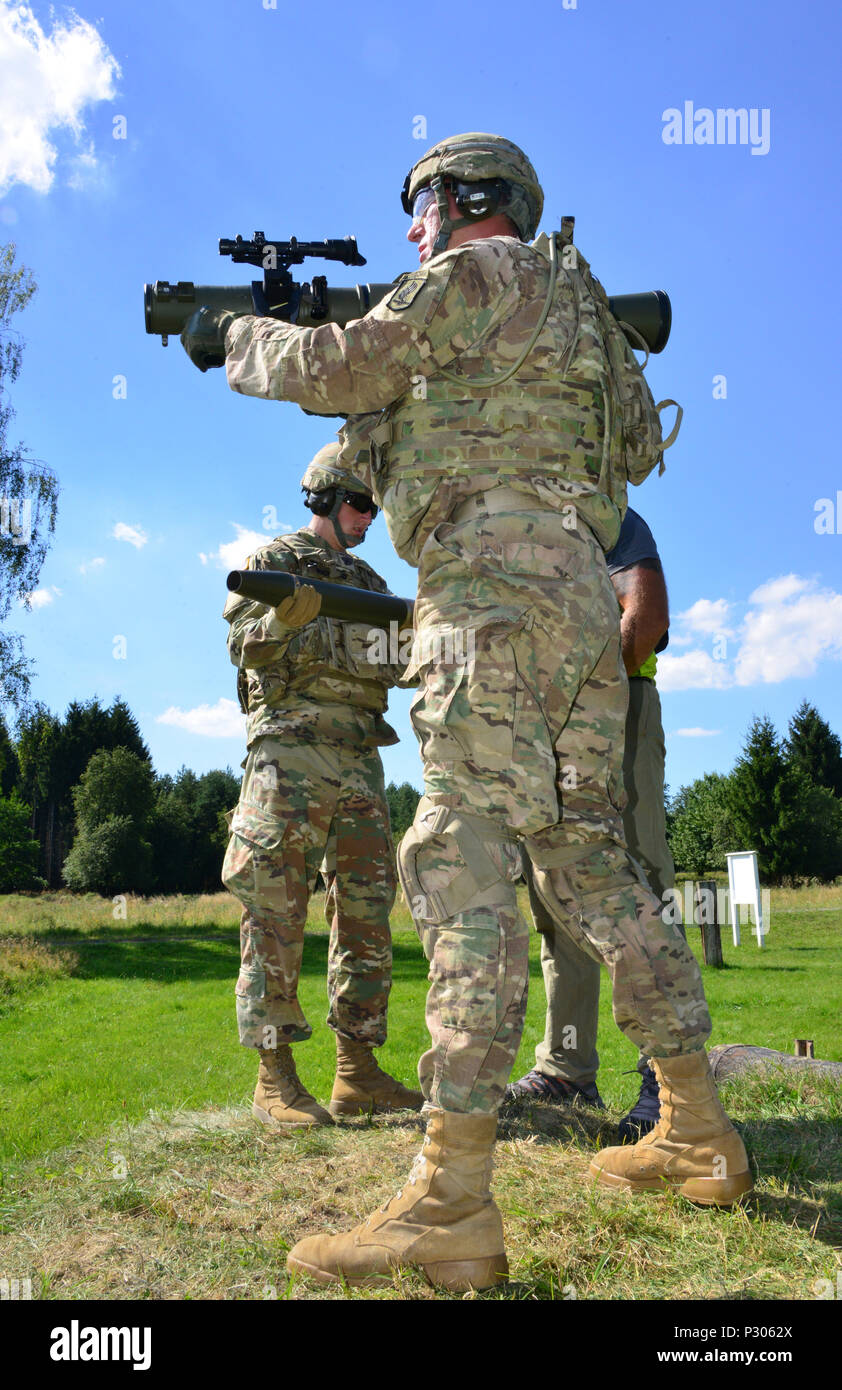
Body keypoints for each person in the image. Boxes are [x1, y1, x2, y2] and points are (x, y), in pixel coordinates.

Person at [184, 132, 753, 1291]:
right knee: (590, 868)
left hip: (484, 595)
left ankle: (448, 1200)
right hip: (576, 608)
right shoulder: (585, 313)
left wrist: (235, 334)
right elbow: (633, 446)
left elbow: (338, 368)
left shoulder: (479, 275)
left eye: (421, 206)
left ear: (468, 200)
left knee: (456, 861)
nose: (410, 231)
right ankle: (694, 1123)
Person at [222, 439, 422, 1128]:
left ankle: (355, 1072)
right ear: (327, 498)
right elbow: (240, 645)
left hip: (361, 759)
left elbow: (403, 664)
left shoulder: (368, 586)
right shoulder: (274, 562)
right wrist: (282, 618)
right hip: (290, 758)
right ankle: (274, 1079)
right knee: (275, 910)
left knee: (365, 912)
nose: (369, 518)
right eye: (361, 503)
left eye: (374, 506)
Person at [508, 506, 674, 1141]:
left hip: (619, 708)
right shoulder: (510, 521)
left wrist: (589, 700)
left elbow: (646, 616)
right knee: (554, 888)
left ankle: (667, 1077)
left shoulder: (612, 517)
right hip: (533, 728)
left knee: (638, 877)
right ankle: (567, 1068)